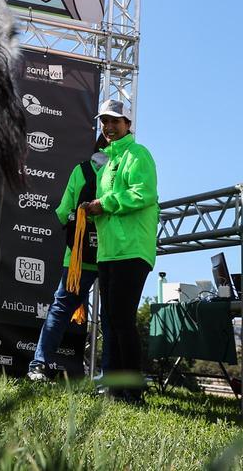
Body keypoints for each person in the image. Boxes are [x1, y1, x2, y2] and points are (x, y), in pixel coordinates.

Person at [83, 100, 158, 403]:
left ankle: (134, 390)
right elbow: (111, 202)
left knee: (123, 319)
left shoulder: (139, 154)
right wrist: (92, 210)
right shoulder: (106, 163)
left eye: (115, 121)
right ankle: (114, 388)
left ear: (128, 124)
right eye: (105, 122)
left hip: (133, 249)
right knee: (111, 319)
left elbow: (144, 194)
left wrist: (104, 204)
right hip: (109, 251)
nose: (109, 127)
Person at [27, 136, 110, 382]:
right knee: (111, 316)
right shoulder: (119, 170)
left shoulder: (81, 170)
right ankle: (108, 374)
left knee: (61, 309)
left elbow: (63, 211)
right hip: (111, 253)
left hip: (77, 257)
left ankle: (39, 365)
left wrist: (76, 219)